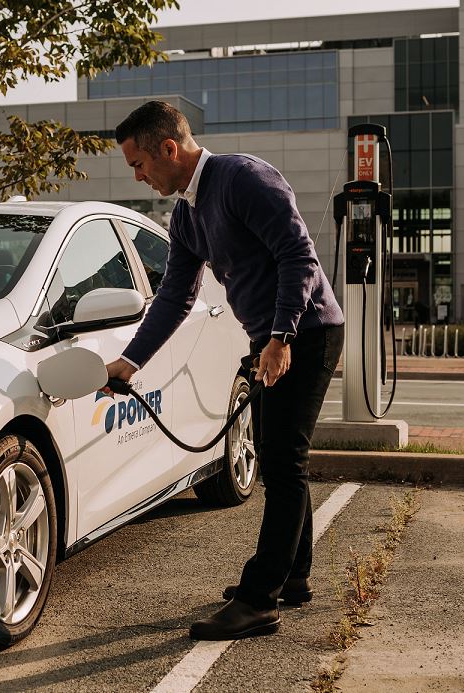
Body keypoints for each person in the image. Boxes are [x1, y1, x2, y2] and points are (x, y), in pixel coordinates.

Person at [106, 100, 345, 640]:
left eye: (138, 165)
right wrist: (130, 361)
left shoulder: (243, 179)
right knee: (282, 459)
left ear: (168, 148)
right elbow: (173, 296)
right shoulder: (187, 214)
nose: (139, 177)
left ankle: (260, 599)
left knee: (283, 465)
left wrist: (281, 336)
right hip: (272, 340)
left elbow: (298, 257)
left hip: (306, 333)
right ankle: (294, 578)